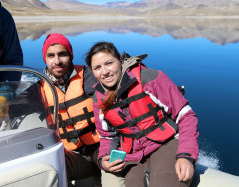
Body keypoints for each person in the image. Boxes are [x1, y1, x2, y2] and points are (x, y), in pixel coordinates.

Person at [85, 42, 199, 187]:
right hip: (134, 154)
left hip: (166, 143)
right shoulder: (98, 97)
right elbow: (107, 136)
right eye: (97, 68)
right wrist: (103, 160)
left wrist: (186, 156)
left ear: (120, 61)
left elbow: (186, 116)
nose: (104, 71)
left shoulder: (148, 77)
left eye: (109, 63)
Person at [39, 33, 102, 186]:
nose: (57, 61)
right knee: (49, 171)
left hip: (100, 147)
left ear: (71, 55)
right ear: (45, 59)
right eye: (51, 56)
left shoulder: (90, 77)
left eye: (62, 54)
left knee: (115, 166)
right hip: (72, 155)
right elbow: (15, 105)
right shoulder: (37, 90)